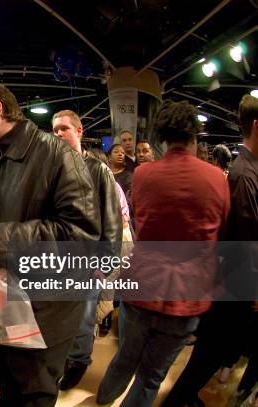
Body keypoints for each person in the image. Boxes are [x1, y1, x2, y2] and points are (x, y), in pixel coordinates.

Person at [0, 78, 100, 406]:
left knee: (28, 396)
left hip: (42, 313)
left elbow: (80, 236)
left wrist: (7, 238)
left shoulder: (57, 156)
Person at [96, 100, 230, 407]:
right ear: (194, 135)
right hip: (189, 293)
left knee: (124, 359)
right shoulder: (216, 179)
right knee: (151, 376)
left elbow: (139, 222)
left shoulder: (143, 175)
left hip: (143, 283)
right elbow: (220, 234)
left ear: (163, 137)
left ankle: (102, 400)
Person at [162, 94, 258, 407]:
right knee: (209, 357)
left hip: (232, 286)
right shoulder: (244, 175)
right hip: (234, 288)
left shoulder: (246, 170)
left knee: (211, 356)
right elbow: (246, 243)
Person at [51, 110, 122, 390]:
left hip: (87, 263)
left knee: (82, 321)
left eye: (64, 129)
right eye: (54, 130)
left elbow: (112, 224)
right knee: (57, 316)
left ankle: (80, 361)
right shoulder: (52, 169)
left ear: (79, 131)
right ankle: (62, 358)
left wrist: (103, 267)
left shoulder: (97, 171)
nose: (58, 134)